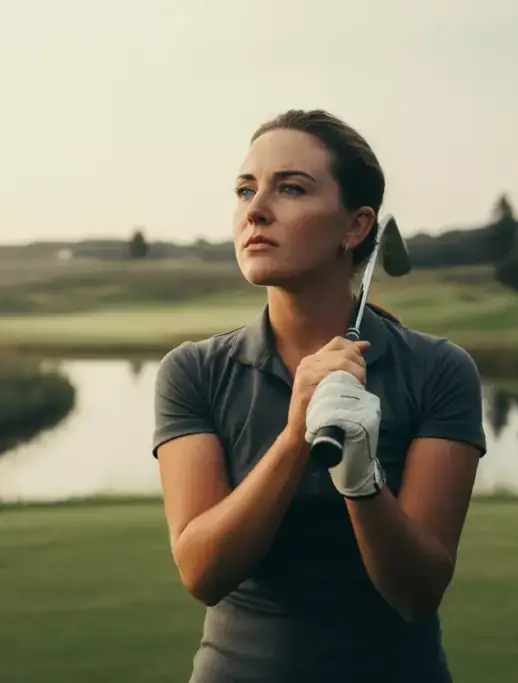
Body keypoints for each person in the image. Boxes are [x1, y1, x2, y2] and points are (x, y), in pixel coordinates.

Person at [152, 109, 487, 683]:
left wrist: (361, 480)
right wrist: (294, 437)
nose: (255, 209)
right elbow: (202, 572)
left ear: (357, 227)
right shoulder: (193, 371)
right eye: (244, 189)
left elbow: (417, 592)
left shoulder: (438, 369)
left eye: (290, 188)